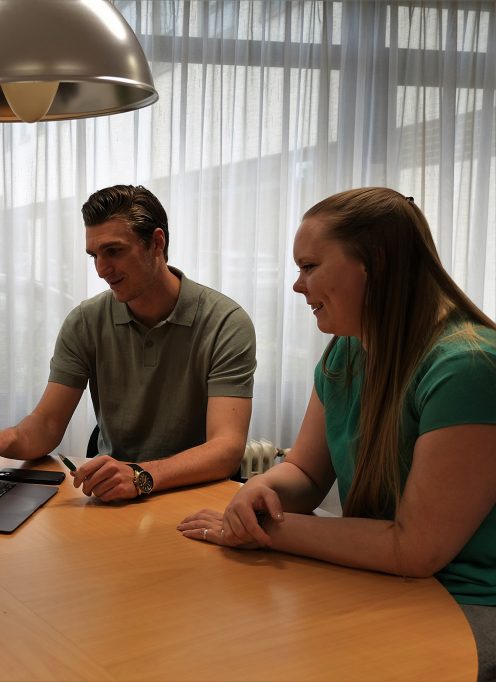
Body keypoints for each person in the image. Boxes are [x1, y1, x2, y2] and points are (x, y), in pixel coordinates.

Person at [177, 187, 496, 680]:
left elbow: (415, 550)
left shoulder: (468, 367)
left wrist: (266, 530)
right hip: (383, 579)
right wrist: (260, 491)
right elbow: (305, 473)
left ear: (375, 264)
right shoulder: (347, 351)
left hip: (466, 601)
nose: (296, 285)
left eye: (309, 266)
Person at [0, 185, 257, 501]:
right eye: (94, 255)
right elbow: (47, 424)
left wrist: (141, 476)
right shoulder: (86, 321)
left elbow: (226, 448)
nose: (101, 269)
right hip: (112, 492)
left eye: (114, 251)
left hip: (194, 494)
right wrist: (3, 439)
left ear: (157, 243)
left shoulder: (225, 323)